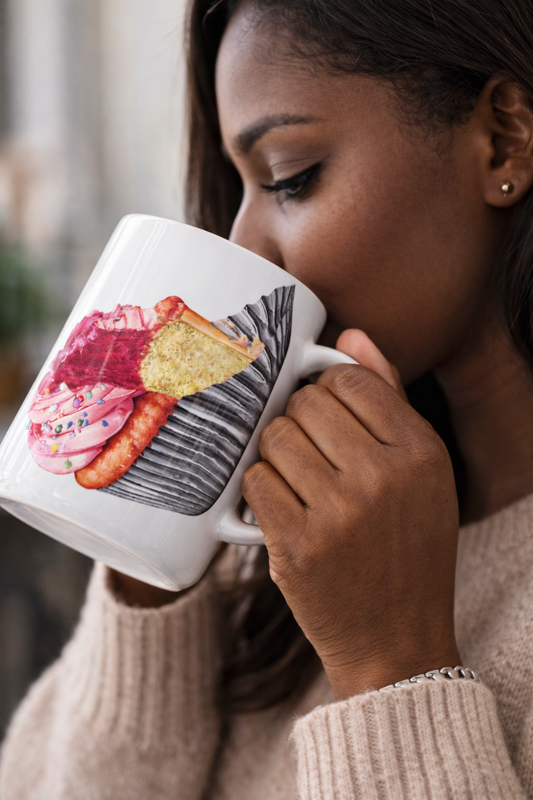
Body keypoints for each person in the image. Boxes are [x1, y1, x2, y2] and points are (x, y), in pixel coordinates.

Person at [2, 0, 533, 796]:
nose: (244, 243)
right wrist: (150, 551)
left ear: (503, 137)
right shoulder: (288, 521)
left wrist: (389, 661)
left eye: (289, 176)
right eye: (239, 186)